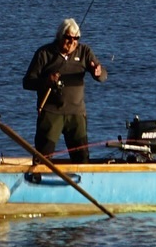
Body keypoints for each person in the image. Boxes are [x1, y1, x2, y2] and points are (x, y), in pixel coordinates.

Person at [22, 18, 106, 162]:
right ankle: (37, 179)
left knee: (81, 157)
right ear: (60, 36)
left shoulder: (84, 51)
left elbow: (103, 75)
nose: (72, 42)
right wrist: (47, 81)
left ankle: (81, 181)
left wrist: (97, 72)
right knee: (43, 157)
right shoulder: (44, 53)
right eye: (68, 38)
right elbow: (27, 82)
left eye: (76, 38)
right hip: (51, 113)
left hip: (76, 114)